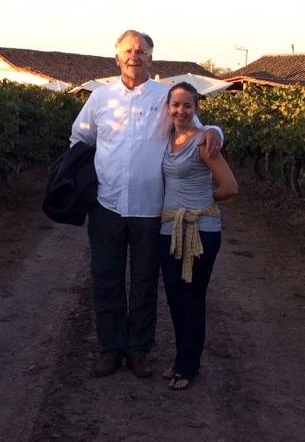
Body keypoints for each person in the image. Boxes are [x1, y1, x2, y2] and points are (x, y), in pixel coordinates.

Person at [69, 30, 223, 378]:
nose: (134, 56)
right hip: (106, 204)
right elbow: (80, 138)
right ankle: (110, 349)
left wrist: (216, 130)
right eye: (128, 51)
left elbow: (197, 129)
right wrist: (83, 182)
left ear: (151, 58)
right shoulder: (100, 98)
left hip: (151, 207)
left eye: (141, 51)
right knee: (106, 279)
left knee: (144, 280)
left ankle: (138, 350)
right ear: (117, 58)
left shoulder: (164, 96)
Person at [159, 82, 238, 391]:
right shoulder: (168, 139)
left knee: (192, 298)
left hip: (200, 231)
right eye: (176, 105)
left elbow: (230, 187)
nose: (181, 110)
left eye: (187, 105)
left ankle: (188, 366)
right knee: (174, 299)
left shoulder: (204, 142)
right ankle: (183, 358)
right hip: (170, 229)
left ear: (196, 109)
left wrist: (203, 203)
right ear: (168, 108)